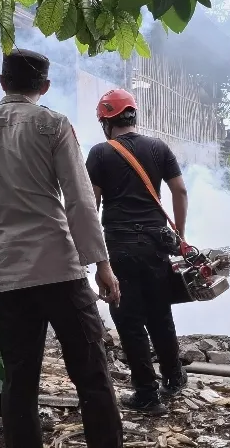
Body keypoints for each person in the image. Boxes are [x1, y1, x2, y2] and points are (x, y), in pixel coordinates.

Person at [0, 49, 124, 448]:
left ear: (2, 82)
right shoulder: (55, 125)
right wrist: (102, 264)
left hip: (9, 277)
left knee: (19, 382)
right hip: (61, 271)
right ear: (44, 86)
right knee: (92, 374)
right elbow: (79, 200)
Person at [85, 89, 189, 416]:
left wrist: (92, 254)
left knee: (129, 320)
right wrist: (180, 236)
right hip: (158, 244)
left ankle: (147, 393)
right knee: (160, 312)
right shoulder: (159, 148)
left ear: (106, 121)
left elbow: (92, 205)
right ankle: (173, 378)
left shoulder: (100, 154)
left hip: (121, 247)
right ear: (132, 116)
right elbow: (180, 190)